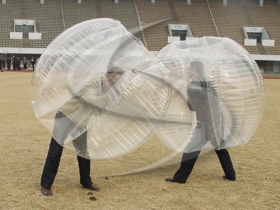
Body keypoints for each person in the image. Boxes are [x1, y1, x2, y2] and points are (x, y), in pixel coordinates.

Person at [40, 67, 124, 196]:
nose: (113, 80)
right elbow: (88, 98)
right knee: (56, 150)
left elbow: (104, 109)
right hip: (66, 115)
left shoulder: (112, 90)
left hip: (81, 121)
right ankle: (46, 185)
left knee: (83, 152)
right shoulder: (95, 80)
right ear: (107, 74)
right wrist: (105, 96)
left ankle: (86, 181)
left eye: (117, 79)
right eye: (112, 76)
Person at [165, 61, 236, 184]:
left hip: (205, 123)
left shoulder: (193, 85)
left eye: (189, 69)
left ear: (194, 70)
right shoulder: (209, 83)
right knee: (220, 148)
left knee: (191, 150)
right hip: (217, 120)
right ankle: (231, 175)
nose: (187, 71)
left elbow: (193, 107)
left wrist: (187, 99)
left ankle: (180, 178)